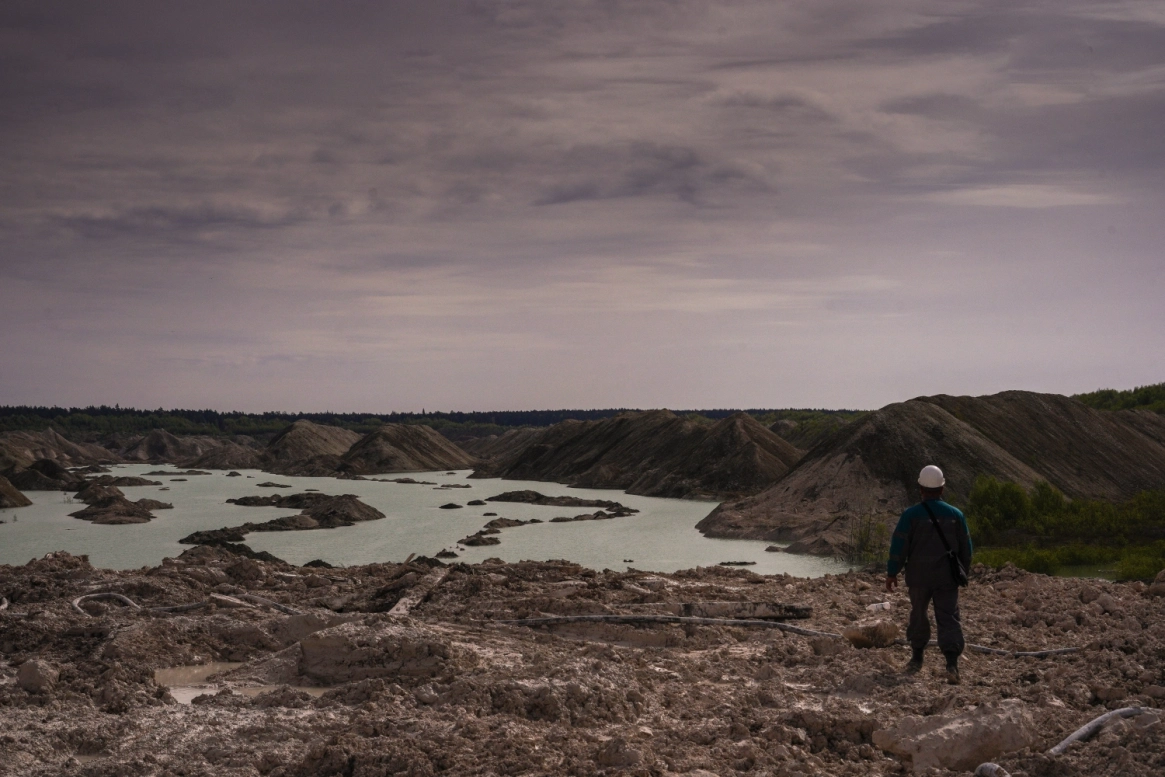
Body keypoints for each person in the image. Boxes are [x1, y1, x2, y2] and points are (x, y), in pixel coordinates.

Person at [885, 465, 972, 684]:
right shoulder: (956, 515)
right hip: (947, 578)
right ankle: (951, 663)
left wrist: (892, 572)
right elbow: (966, 548)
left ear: (921, 488)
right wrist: (963, 572)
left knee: (918, 613)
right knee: (948, 616)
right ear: (942, 488)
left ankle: (917, 657)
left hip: (918, 577)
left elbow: (899, 546)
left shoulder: (910, 515)